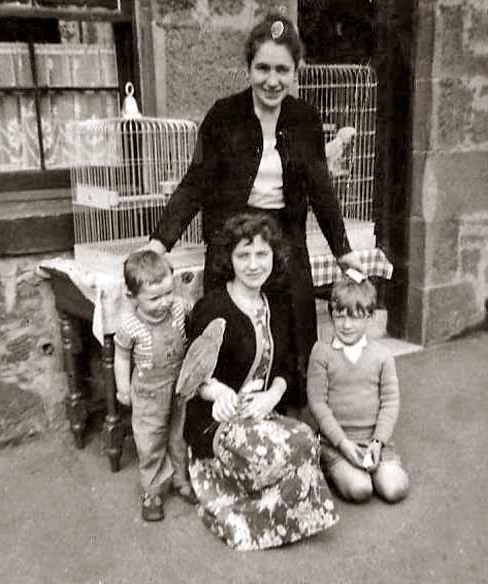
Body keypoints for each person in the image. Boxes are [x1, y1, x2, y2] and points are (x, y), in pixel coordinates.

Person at [146, 13, 363, 407]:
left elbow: (320, 189)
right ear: (248, 68)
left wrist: (343, 250)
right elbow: (196, 182)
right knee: (230, 325)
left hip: (285, 239)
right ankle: (227, 415)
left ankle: (290, 410)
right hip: (234, 237)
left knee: (292, 324)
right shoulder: (223, 116)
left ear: (296, 72)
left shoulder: (305, 119)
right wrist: (160, 242)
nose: (272, 80)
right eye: (262, 68)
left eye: (283, 69)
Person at [184, 213, 338, 551]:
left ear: (274, 257)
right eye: (243, 255)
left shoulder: (276, 304)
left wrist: (273, 395)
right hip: (218, 419)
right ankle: (243, 510)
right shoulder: (212, 308)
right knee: (270, 456)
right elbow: (192, 379)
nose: (253, 265)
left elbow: (285, 366)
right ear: (229, 259)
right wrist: (218, 391)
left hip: (260, 412)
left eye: (261, 254)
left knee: (304, 439)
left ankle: (279, 507)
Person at [306, 276, 409, 504]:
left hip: (373, 441)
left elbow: (390, 402)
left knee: (395, 489)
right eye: (339, 315)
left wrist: (378, 442)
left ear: (369, 316)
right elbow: (318, 403)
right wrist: (342, 443)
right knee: (360, 489)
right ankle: (329, 463)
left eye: (354, 316)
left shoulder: (382, 355)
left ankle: (376, 463)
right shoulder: (321, 352)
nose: (346, 325)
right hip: (336, 443)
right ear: (331, 313)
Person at [113, 250, 196, 522]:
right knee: (150, 439)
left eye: (168, 292)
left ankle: (181, 478)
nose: (164, 302)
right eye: (154, 298)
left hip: (180, 385)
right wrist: (122, 387)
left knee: (180, 433)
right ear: (132, 296)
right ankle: (152, 489)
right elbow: (122, 357)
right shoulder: (129, 326)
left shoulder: (178, 308)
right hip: (148, 393)